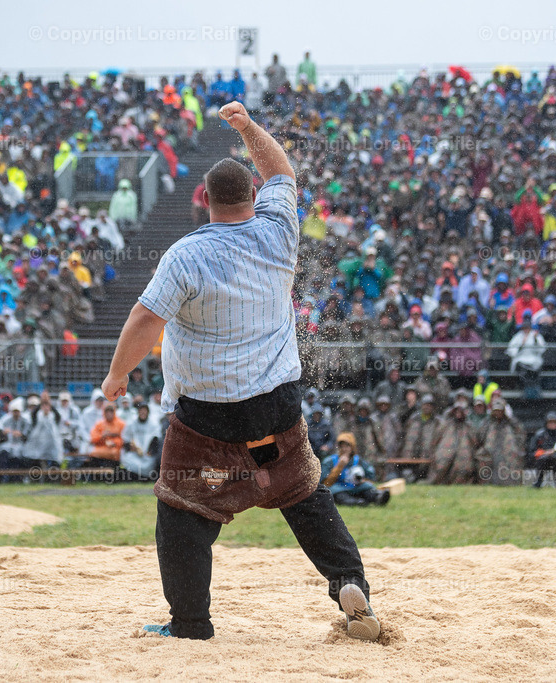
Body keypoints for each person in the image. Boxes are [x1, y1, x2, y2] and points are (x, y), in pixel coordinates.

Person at [100, 102, 379, 641]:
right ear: (253, 196)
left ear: (203, 201)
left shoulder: (185, 254)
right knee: (302, 492)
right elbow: (281, 171)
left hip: (206, 417)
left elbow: (144, 318)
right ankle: (349, 582)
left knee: (183, 507)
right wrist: (248, 127)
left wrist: (116, 377)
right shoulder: (280, 231)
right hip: (276, 405)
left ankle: (190, 623)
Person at [320, 433, 388, 506]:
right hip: (339, 488)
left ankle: (377, 497)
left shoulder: (357, 460)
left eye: (347, 446)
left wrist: (362, 480)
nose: (344, 449)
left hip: (356, 487)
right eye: (341, 447)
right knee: (338, 494)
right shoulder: (330, 461)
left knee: (367, 489)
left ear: (352, 447)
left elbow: (371, 477)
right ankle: (355, 502)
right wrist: (339, 466)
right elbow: (325, 483)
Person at [528, 411, 556, 488]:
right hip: (543, 458)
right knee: (543, 459)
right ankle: (538, 481)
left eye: (554, 422)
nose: (552, 424)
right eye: (550, 422)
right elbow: (532, 451)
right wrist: (545, 453)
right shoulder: (539, 434)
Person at [121, 401, 163, 479]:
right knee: (128, 459)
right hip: (134, 453)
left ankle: (143, 477)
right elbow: (125, 438)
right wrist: (131, 447)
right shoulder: (131, 423)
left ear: (148, 412)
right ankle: (134, 476)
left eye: (145, 410)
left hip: (147, 454)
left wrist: (150, 451)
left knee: (150, 462)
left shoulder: (153, 424)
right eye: (141, 410)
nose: (143, 412)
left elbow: (156, 439)